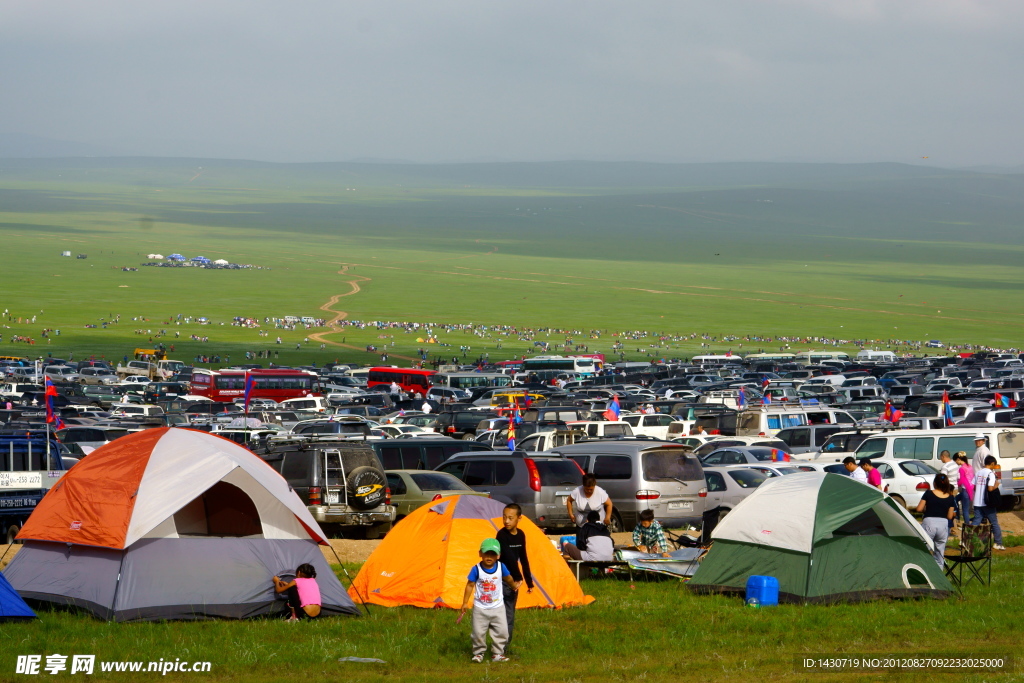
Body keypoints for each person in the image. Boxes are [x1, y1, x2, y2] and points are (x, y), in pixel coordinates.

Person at [460, 538, 515, 663]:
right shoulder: (476, 569)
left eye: (493, 554)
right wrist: (465, 602)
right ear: (480, 553)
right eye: (486, 553)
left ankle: (497, 654)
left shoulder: (501, 567)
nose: (489, 557)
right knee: (478, 632)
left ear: (498, 555)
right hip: (480, 608)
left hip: (498, 607)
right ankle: (478, 653)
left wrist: (513, 586)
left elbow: (508, 578)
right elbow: (469, 585)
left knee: (502, 632)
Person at [495, 504, 533, 652]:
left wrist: (529, 581)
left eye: (510, 518)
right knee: (497, 614)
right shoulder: (501, 535)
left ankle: (504, 647)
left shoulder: (521, 535)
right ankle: (495, 645)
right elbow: (509, 558)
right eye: (504, 517)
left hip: (514, 582)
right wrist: (517, 578)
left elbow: (523, 557)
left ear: (519, 518)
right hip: (502, 579)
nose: (506, 521)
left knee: (509, 614)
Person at [915, 473, 956, 566]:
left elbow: (919, 509)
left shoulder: (928, 493)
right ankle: (938, 578)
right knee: (939, 553)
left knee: (923, 549)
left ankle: (922, 572)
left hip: (929, 522)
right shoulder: (950, 497)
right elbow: (950, 516)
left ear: (934, 483)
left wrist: (927, 508)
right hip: (943, 525)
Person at [971, 455, 1005, 550]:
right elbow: (990, 489)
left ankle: (967, 540)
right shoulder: (991, 474)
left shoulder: (978, 472)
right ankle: (998, 543)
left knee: (976, 521)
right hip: (987, 503)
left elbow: (974, 486)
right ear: (992, 464)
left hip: (977, 502)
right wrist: (996, 485)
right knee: (994, 523)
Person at [938, 450, 960, 529]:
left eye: (940, 457)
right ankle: (956, 523)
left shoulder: (945, 467)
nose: (941, 459)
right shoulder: (955, 464)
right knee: (953, 506)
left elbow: (943, 480)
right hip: (955, 488)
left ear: (943, 456)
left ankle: (949, 526)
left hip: (948, 489)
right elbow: (958, 477)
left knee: (947, 508)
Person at [955, 453, 974, 524]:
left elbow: (962, 479)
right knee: (956, 499)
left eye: (956, 461)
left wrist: (957, 484)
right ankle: (958, 517)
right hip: (970, 489)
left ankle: (967, 523)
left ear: (958, 459)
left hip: (965, 489)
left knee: (965, 509)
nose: (956, 463)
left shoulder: (961, 468)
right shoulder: (970, 466)